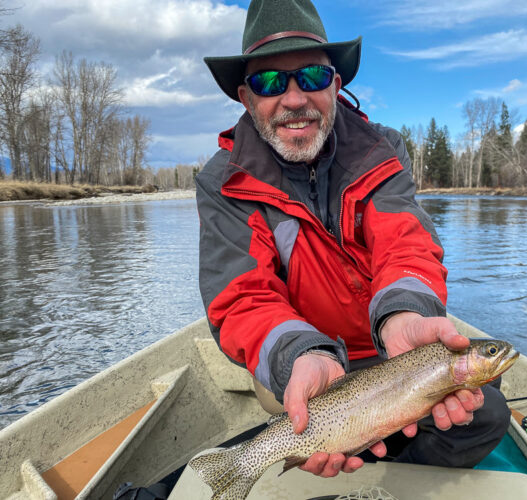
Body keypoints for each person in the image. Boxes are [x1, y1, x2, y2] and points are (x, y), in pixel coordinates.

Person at [196, 0, 510, 479]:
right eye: (270, 82)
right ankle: (335, 448)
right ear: (245, 97)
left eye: (313, 78)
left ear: (336, 84)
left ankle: (371, 454)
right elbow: (241, 300)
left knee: (486, 413)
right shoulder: (224, 182)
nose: (294, 98)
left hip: (392, 353)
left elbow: (405, 243)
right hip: (303, 363)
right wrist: (302, 355)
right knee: (321, 420)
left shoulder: (380, 152)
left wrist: (405, 317)